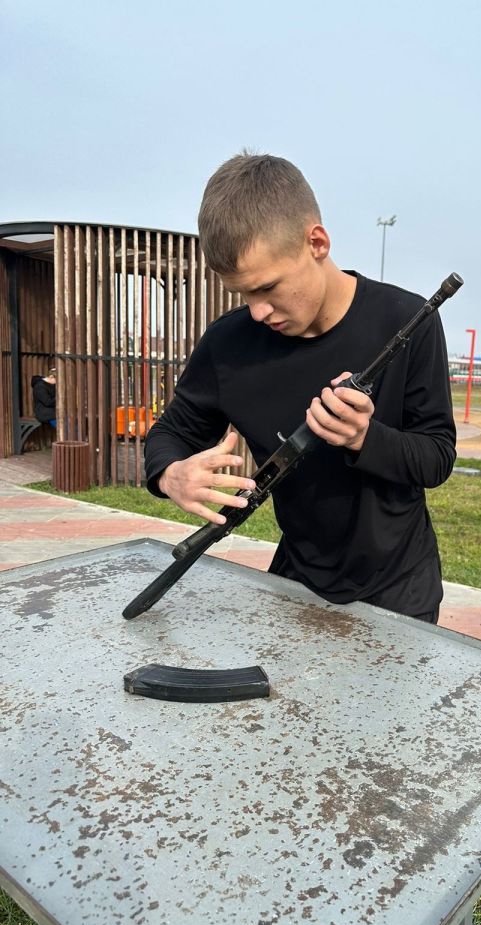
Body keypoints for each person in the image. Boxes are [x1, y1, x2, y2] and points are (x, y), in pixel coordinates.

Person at [143, 152, 456, 622]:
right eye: (242, 295)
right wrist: (170, 474)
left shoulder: (406, 322)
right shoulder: (228, 345)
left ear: (317, 242)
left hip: (401, 591)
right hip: (295, 584)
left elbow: (436, 457)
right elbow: (172, 434)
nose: (258, 312)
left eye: (268, 288)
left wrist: (364, 437)